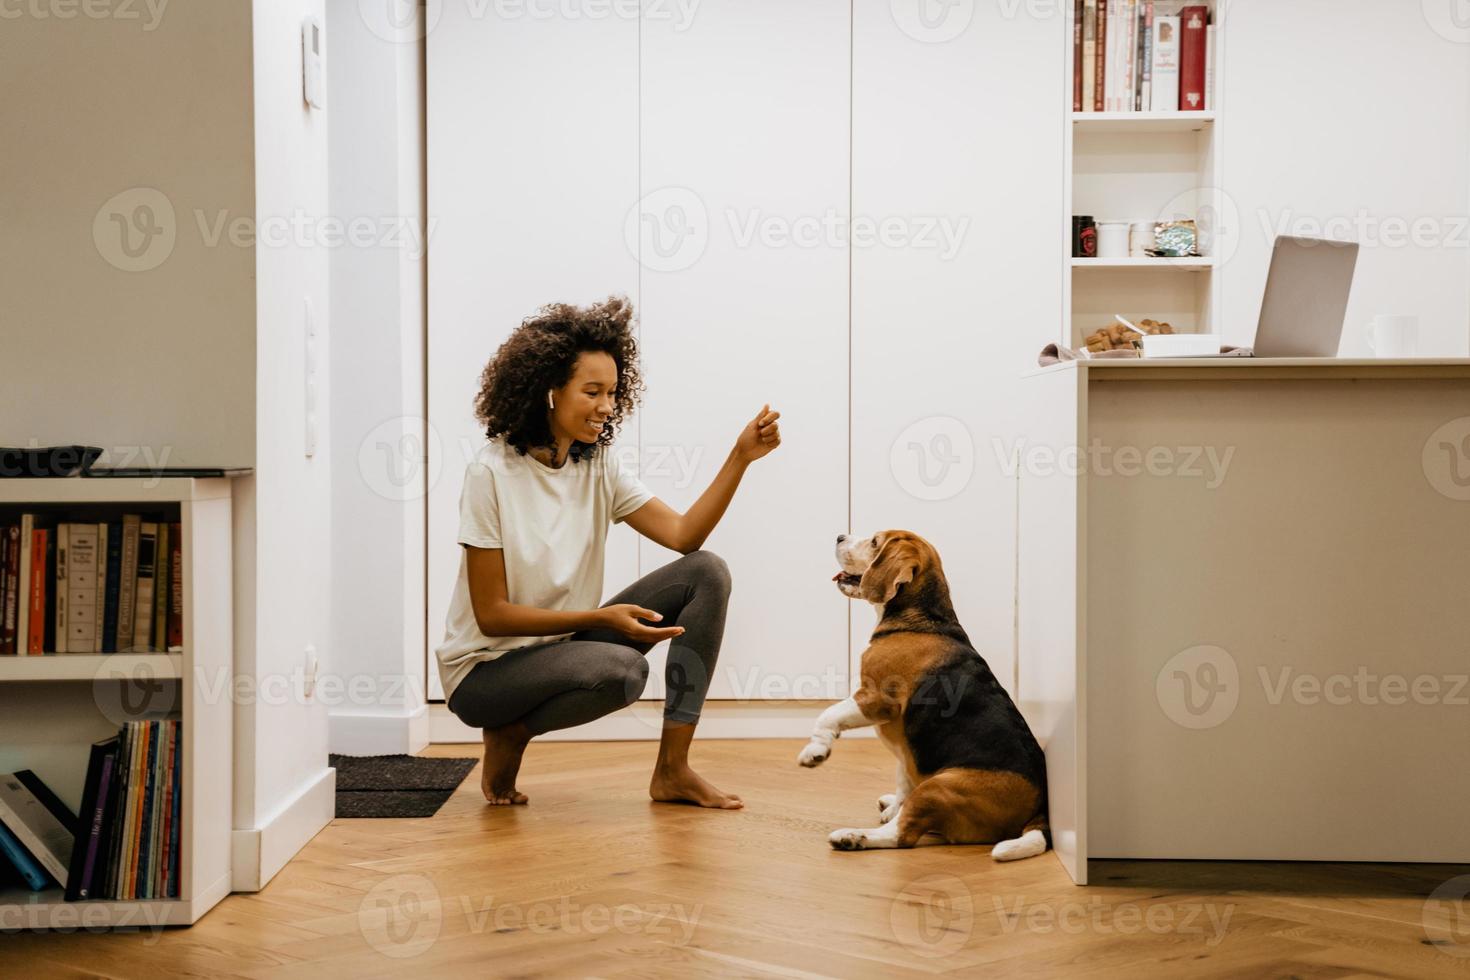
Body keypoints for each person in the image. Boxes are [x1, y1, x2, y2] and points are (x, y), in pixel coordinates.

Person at [435, 295, 782, 810]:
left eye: (613, 392)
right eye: (592, 391)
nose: (606, 406)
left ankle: (673, 769)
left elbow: (685, 537)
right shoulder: (491, 473)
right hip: (486, 673)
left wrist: (740, 458)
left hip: (565, 647)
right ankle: (510, 731)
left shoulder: (598, 465)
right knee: (623, 672)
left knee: (707, 573)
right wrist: (604, 618)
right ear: (549, 392)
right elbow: (492, 615)